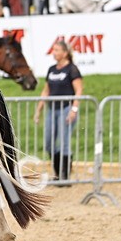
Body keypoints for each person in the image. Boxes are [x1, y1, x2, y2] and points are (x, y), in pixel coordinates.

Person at [33, 39, 84, 184]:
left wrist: (74, 109)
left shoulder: (72, 69)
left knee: (64, 142)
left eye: (56, 50)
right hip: (52, 109)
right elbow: (46, 90)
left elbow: (79, 90)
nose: (54, 53)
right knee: (49, 143)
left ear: (65, 52)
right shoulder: (52, 69)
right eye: (53, 50)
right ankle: (57, 172)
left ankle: (65, 175)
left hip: (66, 108)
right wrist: (39, 110)